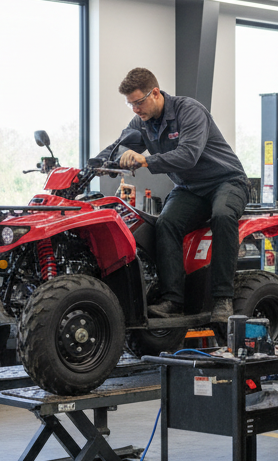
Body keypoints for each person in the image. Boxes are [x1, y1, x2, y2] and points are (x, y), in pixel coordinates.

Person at [97, 68, 248, 321]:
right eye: (130, 104)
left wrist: (144, 161)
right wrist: (91, 165)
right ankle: (172, 300)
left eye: (138, 102)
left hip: (226, 181)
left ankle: (223, 299)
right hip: (191, 189)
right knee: (166, 223)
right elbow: (116, 149)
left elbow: (188, 155)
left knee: (222, 215)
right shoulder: (141, 123)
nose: (135, 109)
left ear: (155, 93)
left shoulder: (189, 111)